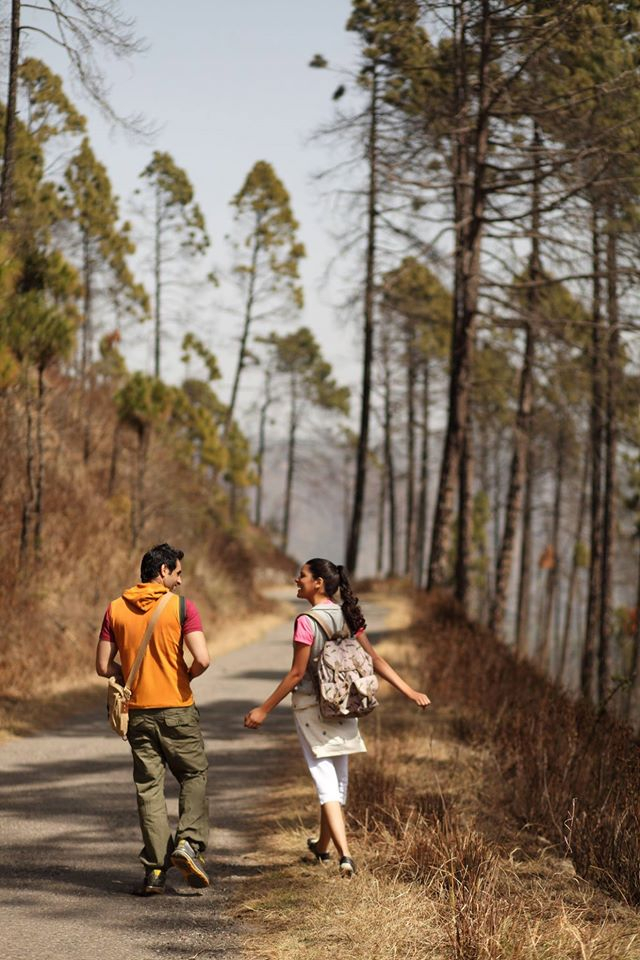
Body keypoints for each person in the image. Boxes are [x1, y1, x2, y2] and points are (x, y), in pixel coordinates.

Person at [244, 558, 430, 877]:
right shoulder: (347, 615)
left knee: (324, 780)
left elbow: (297, 673)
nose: (296, 580)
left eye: (301, 576)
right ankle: (322, 847)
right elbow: (375, 660)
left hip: (311, 707)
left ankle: (345, 856)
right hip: (345, 704)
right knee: (338, 780)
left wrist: (263, 709)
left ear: (318, 583)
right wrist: (409, 691)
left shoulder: (306, 622)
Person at [96, 542, 211, 896]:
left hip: (138, 713)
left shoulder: (115, 609)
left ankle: (156, 871)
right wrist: (184, 675)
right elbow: (203, 659)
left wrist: (129, 671)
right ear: (162, 571)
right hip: (176, 708)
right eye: (177, 573)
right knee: (193, 773)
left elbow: (102, 666)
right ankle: (188, 843)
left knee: (149, 789)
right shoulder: (181, 608)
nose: (180, 580)